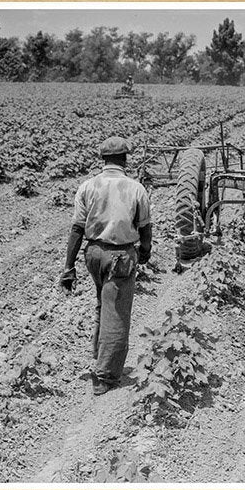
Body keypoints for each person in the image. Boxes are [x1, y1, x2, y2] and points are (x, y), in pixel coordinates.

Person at [60, 136, 152, 395]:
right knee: (117, 314)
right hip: (120, 256)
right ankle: (105, 376)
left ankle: (99, 353)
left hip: (93, 254)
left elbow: (77, 228)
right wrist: (145, 251)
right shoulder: (135, 188)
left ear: (103, 159)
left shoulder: (87, 186)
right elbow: (145, 227)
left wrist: (69, 266)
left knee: (104, 303)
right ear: (125, 158)